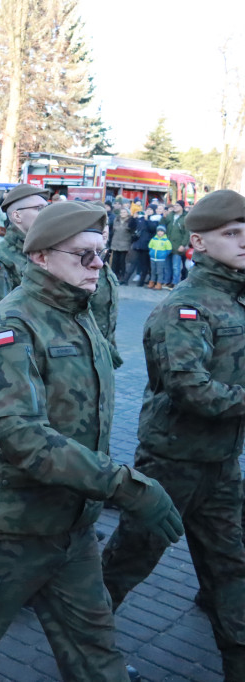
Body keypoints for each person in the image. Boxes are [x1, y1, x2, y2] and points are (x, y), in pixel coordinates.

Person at [0, 201, 183, 682]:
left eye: (101, 255)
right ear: (42, 257)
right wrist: (125, 486)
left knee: (96, 654)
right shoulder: (15, 325)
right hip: (8, 531)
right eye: (83, 255)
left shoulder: (76, 310)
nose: (97, 266)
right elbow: (23, 436)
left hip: (71, 527)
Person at [101, 189, 245, 681]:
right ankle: (85, 642)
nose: (244, 242)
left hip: (222, 463)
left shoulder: (235, 298)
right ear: (199, 243)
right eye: (232, 234)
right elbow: (192, 391)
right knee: (131, 559)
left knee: (232, 562)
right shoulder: (185, 308)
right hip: (173, 462)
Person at [0, 183, 50, 306]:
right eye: (39, 208)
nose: (47, 214)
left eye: (47, 208)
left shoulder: (41, 251)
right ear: (17, 215)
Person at [91, 222, 123, 368]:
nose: (104, 230)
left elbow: (108, 312)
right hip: (88, 350)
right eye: (98, 225)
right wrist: (106, 347)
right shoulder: (84, 265)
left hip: (104, 345)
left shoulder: (104, 261)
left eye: (106, 225)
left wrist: (111, 343)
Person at [162, 200, 189, 286]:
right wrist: (164, 217)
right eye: (174, 205)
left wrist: (183, 245)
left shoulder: (185, 217)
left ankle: (174, 282)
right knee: (167, 265)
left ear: (182, 207)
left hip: (177, 245)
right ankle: (167, 281)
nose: (175, 207)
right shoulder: (170, 215)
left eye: (177, 205)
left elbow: (187, 233)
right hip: (167, 244)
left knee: (176, 266)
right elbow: (162, 226)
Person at [109, 207, 134, 282]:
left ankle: (122, 275)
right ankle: (113, 275)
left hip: (125, 243)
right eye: (121, 212)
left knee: (122, 261)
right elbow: (113, 230)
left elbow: (132, 231)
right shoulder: (116, 220)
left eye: (124, 212)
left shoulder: (130, 221)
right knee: (114, 261)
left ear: (128, 213)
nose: (122, 214)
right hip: (115, 242)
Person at [147, 225, 172, 290]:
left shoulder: (166, 241)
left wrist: (163, 255)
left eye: (161, 231)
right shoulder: (153, 239)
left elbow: (169, 249)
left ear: (164, 232)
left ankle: (159, 284)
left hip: (161, 259)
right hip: (153, 258)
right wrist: (151, 253)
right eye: (158, 231)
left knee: (159, 271)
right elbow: (150, 246)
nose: (160, 233)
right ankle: (152, 282)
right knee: (153, 271)